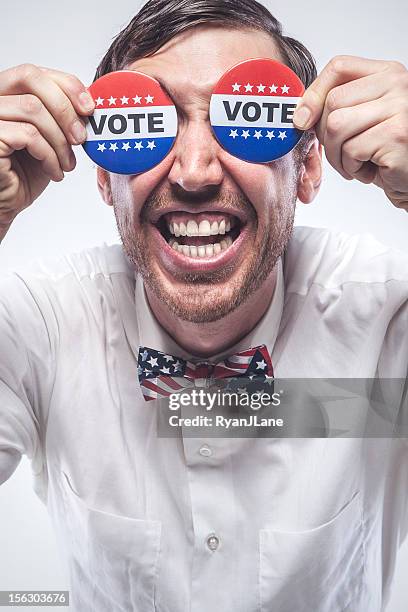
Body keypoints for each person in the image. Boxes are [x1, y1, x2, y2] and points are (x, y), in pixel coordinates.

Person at [0, 0, 407, 610]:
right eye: (155, 122)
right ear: (105, 178)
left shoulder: (381, 320)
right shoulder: (41, 326)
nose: (193, 172)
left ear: (306, 169)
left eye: (237, 119)